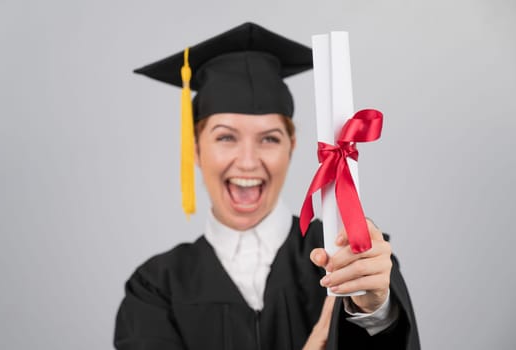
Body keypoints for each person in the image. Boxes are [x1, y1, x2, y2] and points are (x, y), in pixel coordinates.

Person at [114, 22, 420, 350]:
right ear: (195, 148)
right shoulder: (156, 289)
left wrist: (375, 312)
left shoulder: (346, 256)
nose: (248, 161)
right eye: (226, 137)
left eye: (269, 139)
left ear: (292, 145)